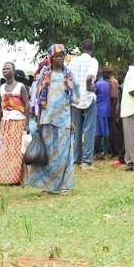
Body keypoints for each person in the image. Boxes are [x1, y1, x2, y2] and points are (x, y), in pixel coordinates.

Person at [29, 44, 79, 194]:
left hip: (64, 119)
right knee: (48, 153)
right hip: (47, 119)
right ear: (51, 57)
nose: (59, 58)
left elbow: (74, 100)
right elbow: (38, 99)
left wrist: (73, 121)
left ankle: (64, 186)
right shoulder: (45, 74)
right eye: (56, 56)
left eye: (61, 56)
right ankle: (48, 186)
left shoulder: (69, 75)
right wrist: (38, 120)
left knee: (63, 154)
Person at [0, 62, 30, 185]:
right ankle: (6, 178)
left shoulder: (20, 87)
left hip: (18, 122)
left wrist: (27, 124)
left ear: (13, 71)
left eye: (8, 69)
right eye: (3, 69)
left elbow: (27, 104)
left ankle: (22, 178)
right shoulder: (1, 88)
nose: (5, 70)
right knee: (5, 151)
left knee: (18, 151)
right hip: (5, 123)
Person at [67, 39, 99, 170]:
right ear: (93, 48)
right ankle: (86, 162)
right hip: (87, 98)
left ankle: (76, 161)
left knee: (77, 130)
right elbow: (89, 77)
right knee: (89, 130)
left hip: (75, 99)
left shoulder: (73, 61)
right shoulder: (93, 61)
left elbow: (68, 77)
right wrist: (89, 86)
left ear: (81, 48)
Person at [93, 70, 112, 158]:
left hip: (99, 109)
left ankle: (94, 152)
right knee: (105, 131)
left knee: (98, 132)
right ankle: (105, 152)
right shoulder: (107, 84)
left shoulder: (97, 84)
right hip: (106, 109)